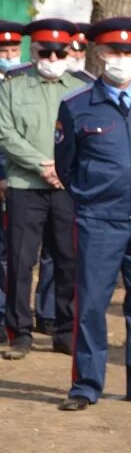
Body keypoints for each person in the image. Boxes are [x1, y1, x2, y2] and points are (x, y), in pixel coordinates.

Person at [56, 17, 131, 411]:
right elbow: (66, 165)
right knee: (91, 303)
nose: (121, 58)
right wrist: (90, 197)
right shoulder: (76, 105)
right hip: (98, 221)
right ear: (99, 53)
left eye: (128, 51)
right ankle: (86, 386)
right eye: (113, 51)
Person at [0, 19, 89, 360]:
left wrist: (62, 170)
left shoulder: (82, 85)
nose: (52, 57)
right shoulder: (13, 85)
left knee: (68, 260)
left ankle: (63, 331)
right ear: (33, 50)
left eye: (59, 51)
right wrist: (42, 164)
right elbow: (5, 132)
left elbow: (87, 132)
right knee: (21, 261)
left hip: (67, 187)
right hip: (26, 184)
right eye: (45, 51)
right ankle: (19, 332)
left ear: (69, 50)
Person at [0, 21, 23, 323]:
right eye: (3, 50)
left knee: (16, 252)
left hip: (21, 176)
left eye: (13, 49)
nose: (8, 55)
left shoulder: (24, 81)